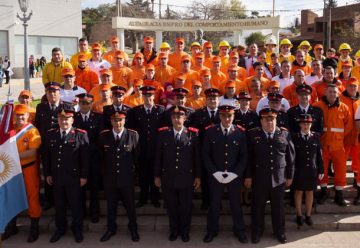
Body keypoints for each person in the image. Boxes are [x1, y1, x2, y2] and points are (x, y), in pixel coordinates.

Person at [245, 108, 295, 244]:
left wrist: (290, 176)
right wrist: (248, 176)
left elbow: (290, 157)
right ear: (261, 121)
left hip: (278, 178)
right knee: (257, 207)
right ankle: (256, 232)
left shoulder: (284, 134)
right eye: (266, 120)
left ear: (276, 120)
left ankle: (280, 232)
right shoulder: (252, 134)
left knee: (278, 208)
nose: (269, 123)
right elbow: (248, 158)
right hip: (259, 177)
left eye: (272, 120)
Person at [202, 105, 248, 243]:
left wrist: (236, 173)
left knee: (236, 205)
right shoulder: (210, 132)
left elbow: (244, 155)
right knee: (214, 205)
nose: (227, 118)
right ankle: (211, 231)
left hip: (234, 176)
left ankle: (239, 230)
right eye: (224, 116)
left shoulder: (240, 132)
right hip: (216, 176)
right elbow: (205, 154)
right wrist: (214, 172)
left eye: (230, 116)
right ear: (219, 116)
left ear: (233, 116)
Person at [154, 105, 201, 242]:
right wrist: (157, 175)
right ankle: (174, 230)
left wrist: (198, 176)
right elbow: (159, 157)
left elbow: (196, 157)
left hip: (186, 177)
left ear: (185, 118)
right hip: (168, 177)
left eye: (179, 116)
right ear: (171, 119)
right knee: (172, 206)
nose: (176, 119)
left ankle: (185, 231)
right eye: (174, 117)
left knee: (186, 207)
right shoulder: (163, 134)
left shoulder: (193, 134)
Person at [43, 104, 89, 243]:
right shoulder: (51, 134)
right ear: (58, 120)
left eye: (67, 119)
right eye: (61, 119)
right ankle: (60, 229)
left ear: (72, 120)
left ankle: (77, 230)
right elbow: (46, 157)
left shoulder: (80, 134)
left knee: (76, 205)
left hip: (74, 178)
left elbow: (85, 158)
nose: (64, 122)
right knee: (59, 205)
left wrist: (84, 176)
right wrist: (48, 174)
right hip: (57, 177)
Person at [97, 110, 140, 242]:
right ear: (111, 122)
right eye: (115, 120)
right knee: (111, 206)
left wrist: (135, 176)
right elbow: (100, 158)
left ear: (124, 121)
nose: (118, 123)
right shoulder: (104, 136)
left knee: (130, 206)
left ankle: (133, 228)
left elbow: (137, 158)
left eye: (120, 120)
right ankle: (111, 229)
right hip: (110, 179)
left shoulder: (133, 135)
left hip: (126, 178)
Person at [2, 105, 42, 243]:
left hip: (28, 168)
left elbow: (32, 152)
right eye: (17, 115)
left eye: (22, 115)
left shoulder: (32, 131)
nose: (20, 118)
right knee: (11, 196)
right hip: (12, 169)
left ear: (28, 116)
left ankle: (34, 228)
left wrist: (12, 155)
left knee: (32, 197)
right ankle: (11, 227)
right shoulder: (9, 129)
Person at [127, 86, 165, 208]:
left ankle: (155, 198)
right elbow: (132, 130)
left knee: (155, 173)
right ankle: (143, 198)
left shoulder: (161, 110)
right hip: (141, 149)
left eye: (150, 95)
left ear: (154, 96)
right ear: (142, 96)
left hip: (156, 149)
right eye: (145, 95)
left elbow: (164, 130)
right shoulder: (135, 111)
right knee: (143, 175)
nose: (148, 98)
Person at [313, 84, 352, 206]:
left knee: (340, 170)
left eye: (335, 92)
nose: (332, 94)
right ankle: (323, 192)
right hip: (323, 144)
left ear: (338, 93)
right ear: (325, 92)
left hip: (338, 145)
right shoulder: (317, 106)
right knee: (322, 170)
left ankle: (339, 194)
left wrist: (339, 138)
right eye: (330, 92)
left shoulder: (344, 108)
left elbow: (348, 126)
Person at [35, 82, 67, 211]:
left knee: (63, 172)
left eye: (55, 92)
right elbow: (38, 125)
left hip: (62, 145)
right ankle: (49, 200)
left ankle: (64, 199)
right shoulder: (40, 107)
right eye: (49, 92)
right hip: (46, 145)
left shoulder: (66, 106)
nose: (52, 94)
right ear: (46, 93)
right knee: (48, 171)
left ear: (59, 93)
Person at [73, 93, 104, 223]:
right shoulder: (73, 118)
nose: (85, 105)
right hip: (77, 158)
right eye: (82, 103)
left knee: (94, 187)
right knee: (79, 188)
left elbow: (100, 137)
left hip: (94, 157)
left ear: (92, 104)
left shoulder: (98, 118)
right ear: (79, 104)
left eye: (87, 103)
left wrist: (88, 149)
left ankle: (94, 212)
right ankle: (81, 211)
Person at [292, 114, 324, 227]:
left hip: (312, 170)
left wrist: (321, 169)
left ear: (311, 125)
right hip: (298, 170)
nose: (306, 126)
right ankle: (299, 215)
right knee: (298, 192)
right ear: (300, 124)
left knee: (310, 192)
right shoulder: (295, 137)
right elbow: (292, 156)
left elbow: (319, 155)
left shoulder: (315, 137)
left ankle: (308, 215)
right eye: (304, 124)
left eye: (308, 124)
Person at [339, 77, 360, 186]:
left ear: (358, 87)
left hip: (357, 136)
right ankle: (341, 186)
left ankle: (357, 182)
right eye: (350, 86)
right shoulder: (340, 99)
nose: (352, 88)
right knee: (342, 162)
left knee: (357, 162)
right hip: (344, 136)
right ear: (346, 87)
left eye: (354, 86)